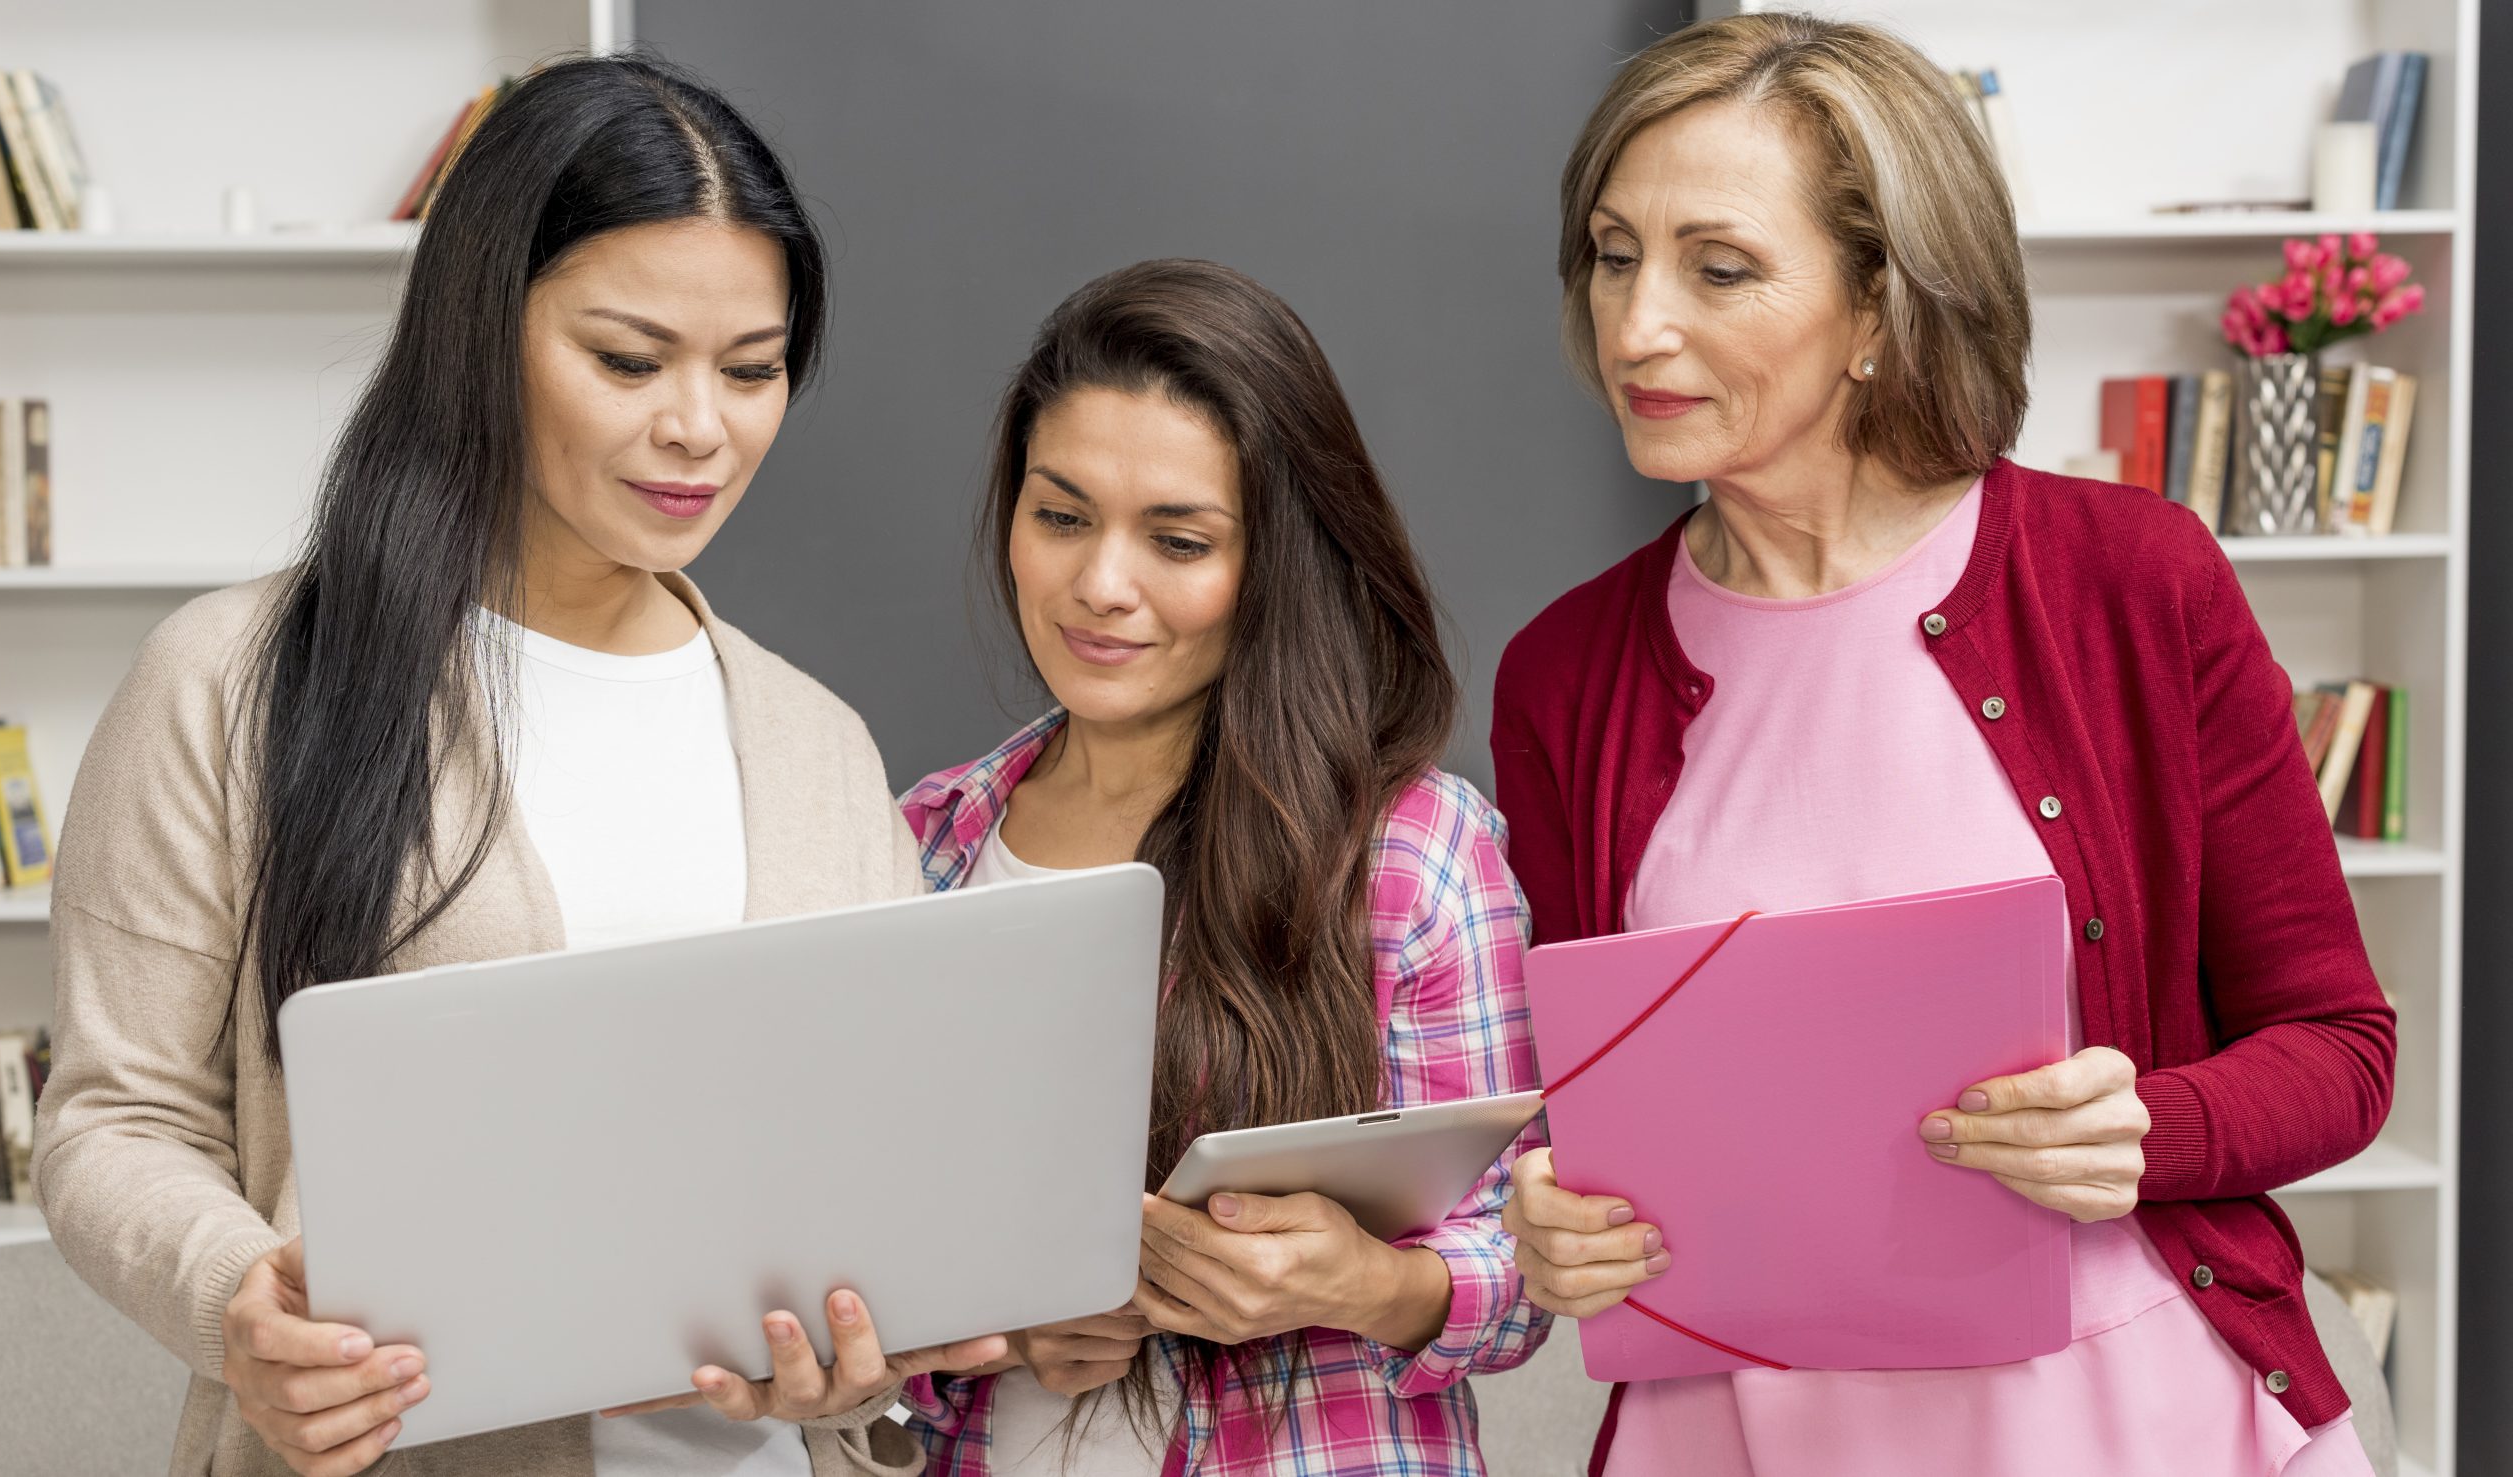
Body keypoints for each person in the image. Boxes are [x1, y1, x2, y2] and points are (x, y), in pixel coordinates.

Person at [31, 55, 999, 1477]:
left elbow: (864, 1166)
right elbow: (116, 1115)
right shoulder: (232, 679)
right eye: (628, 359)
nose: (700, 428)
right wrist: (239, 1300)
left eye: (753, 368)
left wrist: (871, 1353)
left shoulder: (817, 743)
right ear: (483, 333)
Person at [1489, 14, 2393, 1476]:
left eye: (1719, 269)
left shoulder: (2134, 581)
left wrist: (2150, 1126)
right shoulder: (1564, 674)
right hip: (1734, 1427)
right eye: (1612, 254)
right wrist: (1550, 1215)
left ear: (1877, 311)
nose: (1636, 323)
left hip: (2111, 1416)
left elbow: (2342, 1047)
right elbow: (1585, 1110)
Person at [894, 259, 1546, 1475]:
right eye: (1060, 515)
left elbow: (1521, 1273)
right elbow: (866, 1270)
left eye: (1178, 539)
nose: (1100, 585)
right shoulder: (926, 842)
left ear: (1275, 564)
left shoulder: (1406, 852)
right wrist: (992, 1333)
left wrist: (1368, 1283)